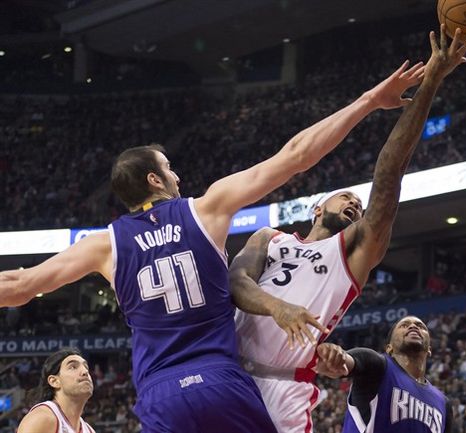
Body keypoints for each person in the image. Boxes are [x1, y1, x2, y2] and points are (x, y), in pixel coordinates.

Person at [0, 60, 425, 432]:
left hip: (160, 393)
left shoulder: (103, 245)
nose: (178, 176)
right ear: (154, 180)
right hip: (221, 382)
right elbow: (296, 154)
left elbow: (20, 285)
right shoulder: (207, 209)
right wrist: (369, 100)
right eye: (169, 168)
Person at [230, 25, 466, 433]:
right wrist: (277, 306)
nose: (355, 205)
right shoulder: (268, 238)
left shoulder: (354, 251)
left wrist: (430, 81)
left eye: (358, 205)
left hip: (285, 387)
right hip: (229, 371)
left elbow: (390, 168)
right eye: (345, 198)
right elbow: (235, 282)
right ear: (317, 207)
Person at [315, 315, 453, 433]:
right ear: (389, 348)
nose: (413, 326)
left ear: (429, 349)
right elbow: (352, 361)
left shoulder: (444, 403)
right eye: (404, 325)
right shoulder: (378, 367)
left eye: (420, 326)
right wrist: (336, 358)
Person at [17, 348, 95, 433]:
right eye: (73, 367)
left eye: (86, 367)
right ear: (54, 381)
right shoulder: (42, 418)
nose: (85, 372)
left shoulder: (89, 430)